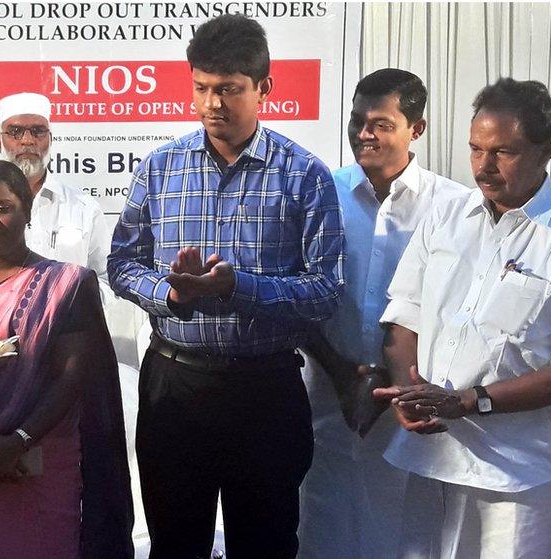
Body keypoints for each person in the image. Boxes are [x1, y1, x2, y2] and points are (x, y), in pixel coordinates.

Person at [108, 14, 345, 558]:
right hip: (175, 385)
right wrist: (172, 295)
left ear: (264, 88)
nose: (213, 103)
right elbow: (123, 263)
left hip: (265, 392)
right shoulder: (161, 168)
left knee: (265, 544)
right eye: (202, 88)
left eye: (230, 90)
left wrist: (238, 286)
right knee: (174, 543)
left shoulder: (304, 174)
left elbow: (326, 291)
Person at [375, 78, 551, 558]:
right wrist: (406, 392)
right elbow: (403, 315)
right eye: (475, 149)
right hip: (432, 458)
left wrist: (472, 401)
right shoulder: (445, 218)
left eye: (503, 152)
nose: (483, 167)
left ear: (545, 150)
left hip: (522, 475)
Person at [0, 159, 133, 559]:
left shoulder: (68, 285)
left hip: (41, 458)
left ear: (28, 209)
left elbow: (71, 379)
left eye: (3, 208)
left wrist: (16, 442)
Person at [298, 69, 466, 558]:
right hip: (328, 395)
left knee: (410, 534)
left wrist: (402, 384)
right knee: (323, 528)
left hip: (412, 405)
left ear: (417, 129)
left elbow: (457, 309)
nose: (364, 134)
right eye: (357, 121)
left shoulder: (454, 207)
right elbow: (300, 294)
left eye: (380, 123)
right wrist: (343, 373)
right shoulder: (321, 193)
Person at [0, 92, 112, 300]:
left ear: (50, 139)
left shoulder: (83, 208)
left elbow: (106, 278)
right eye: (15, 131)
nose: (28, 140)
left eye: (38, 131)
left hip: (68, 328)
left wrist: (73, 302)